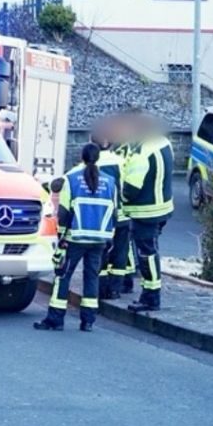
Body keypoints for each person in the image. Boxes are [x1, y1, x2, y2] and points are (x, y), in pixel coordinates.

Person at [35, 144, 118, 332]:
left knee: (63, 276)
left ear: (81, 157)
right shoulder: (110, 182)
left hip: (75, 238)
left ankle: (55, 319)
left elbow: (64, 213)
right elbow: (115, 212)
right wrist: (110, 237)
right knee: (92, 278)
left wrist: (61, 236)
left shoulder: (71, 180)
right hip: (99, 239)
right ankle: (88, 321)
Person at [121, 113, 175, 312]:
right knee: (152, 250)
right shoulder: (164, 143)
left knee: (146, 255)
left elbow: (131, 189)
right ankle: (150, 293)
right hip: (163, 208)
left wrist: (120, 197)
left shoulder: (140, 153)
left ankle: (151, 296)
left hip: (145, 212)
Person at [90, 121, 131, 300]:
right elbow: (127, 186)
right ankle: (115, 289)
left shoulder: (91, 164)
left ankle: (101, 288)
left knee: (101, 252)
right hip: (121, 214)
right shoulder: (121, 161)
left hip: (101, 217)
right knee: (121, 252)